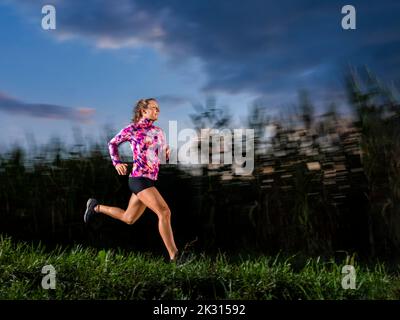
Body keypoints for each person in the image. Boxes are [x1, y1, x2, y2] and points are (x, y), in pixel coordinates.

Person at [84, 98, 180, 262]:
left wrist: (166, 153)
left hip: (149, 180)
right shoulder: (132, 129)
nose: (158, 111)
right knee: (164, 212)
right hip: (138, 179)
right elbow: (112, 144)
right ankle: (175, 257)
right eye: (154, 108)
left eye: (158, 108)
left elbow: (161, 157)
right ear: (143, 111)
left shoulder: (159, 132)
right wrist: (117, 162)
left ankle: (96, 207)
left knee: (129, 218)